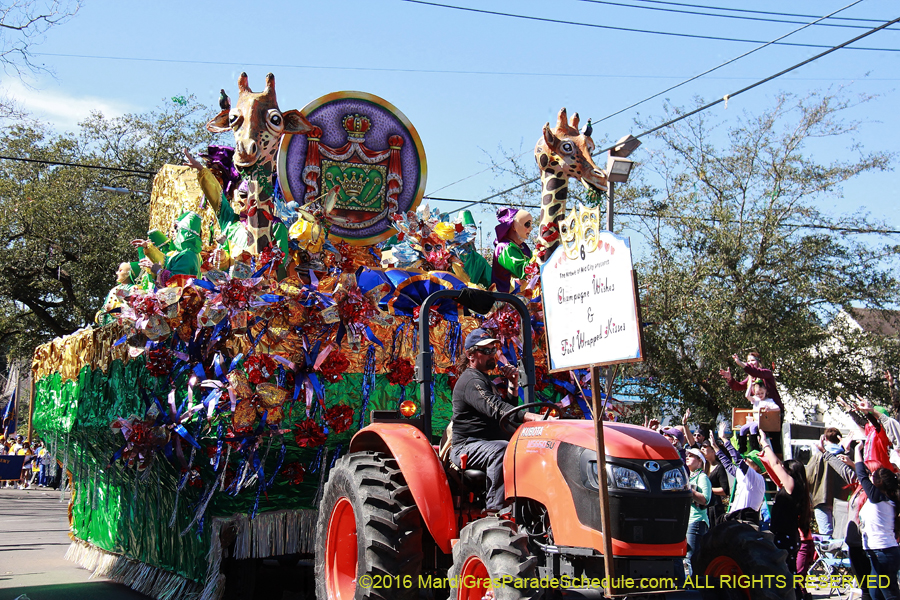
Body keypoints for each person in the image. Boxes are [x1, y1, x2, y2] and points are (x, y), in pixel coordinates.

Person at [450, 328, 548, 514]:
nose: (492, 355)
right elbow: (496, 409)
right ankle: (496, 512)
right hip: (467, 446)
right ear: (470, 355)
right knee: (502, 449)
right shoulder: (471, 381)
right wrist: (533, 417)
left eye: (493, 350)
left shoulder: (483, 380)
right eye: (486, 351)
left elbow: (505, 413)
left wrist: (513, 383)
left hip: (485, 443)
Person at [760, 429, 812, 600]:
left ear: (791, 472)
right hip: (784, 535)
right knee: (785, 573)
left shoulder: (793, 486)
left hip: (786, 537)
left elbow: (776, 465)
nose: (781, 469)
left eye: (785, 469)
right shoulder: (790, 487)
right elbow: (774, 464)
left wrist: (765, 442)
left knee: (786, 574)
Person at [854, 442, 900, 600]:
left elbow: (860, 473)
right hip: (878, 552)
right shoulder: (888, 498)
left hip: (883, 552)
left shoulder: (876, 497)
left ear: (878, 483)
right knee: (875, 594)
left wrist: (857, 449)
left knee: (890, 595)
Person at [710, 421, 766, 525]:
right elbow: (729, 465)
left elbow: (738, 460)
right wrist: (715, 447)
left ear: (757, 467)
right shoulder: (747, 475)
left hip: (747, 520)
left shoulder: (756, 477)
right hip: (738, 517)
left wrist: (724, 439)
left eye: (749, 461)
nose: (745, 461)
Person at [491, 208, 533, 293]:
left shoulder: (524, 247)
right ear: (514, 226)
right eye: (527, 224)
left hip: (525, 300)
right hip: (508, 302)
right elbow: (523, 270)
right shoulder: (503, 248)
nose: (531, 228)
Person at [685, 448, 711, 559]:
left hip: (697, 521)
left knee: (691, 558)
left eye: (691, 455)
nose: (687, 457)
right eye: (687, 455)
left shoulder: (702, 477)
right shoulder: (689, 477)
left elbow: (705, 499)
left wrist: (688, 489)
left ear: (700, 461)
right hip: (688, 522)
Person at [702, 441, 730, 525]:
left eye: (705, 446)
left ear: (713, 451)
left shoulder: (719, 468)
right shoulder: (701, 466)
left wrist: (708, 489)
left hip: (714, 507)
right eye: (702, 446)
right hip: (702, 505)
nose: (702, 448)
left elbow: (725, 490)